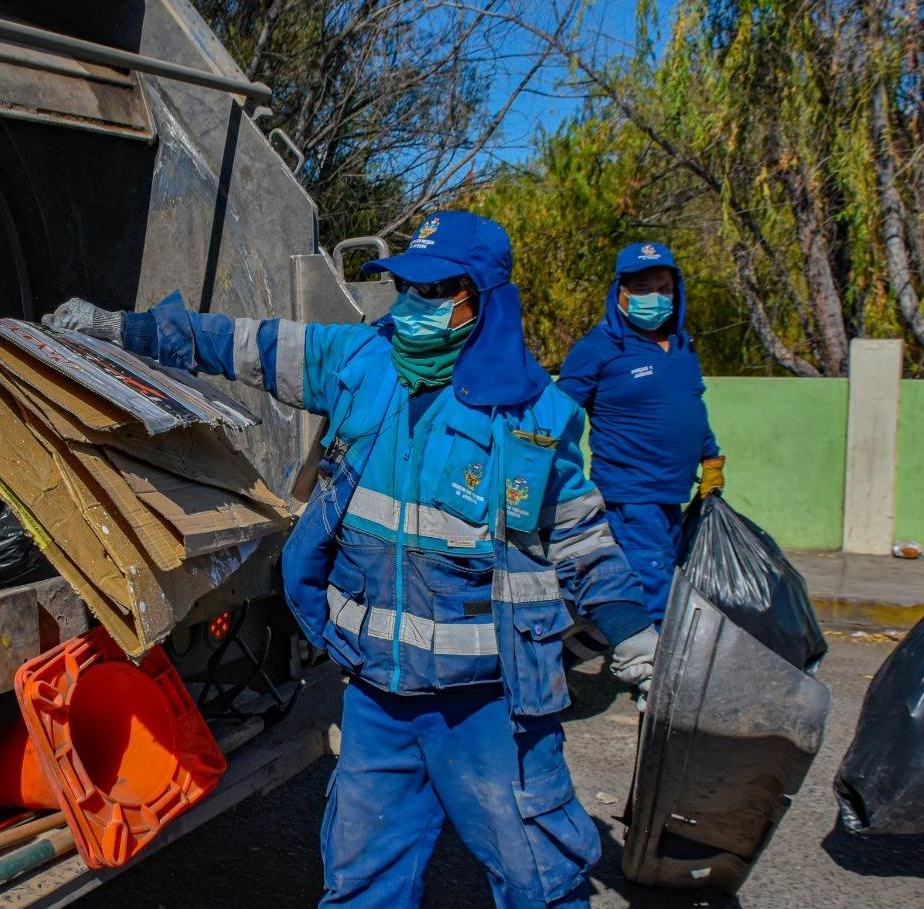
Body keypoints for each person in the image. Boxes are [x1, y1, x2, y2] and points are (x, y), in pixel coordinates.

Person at [45, 211, 655, 909]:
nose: (412, 307)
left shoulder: (532, 414)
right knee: (362, 885)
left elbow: (580, 535)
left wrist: (634, 631)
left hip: (488, 706)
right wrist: (120, 329)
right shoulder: (363, 362)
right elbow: (241, 344)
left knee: (539, 883)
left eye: (433, 291)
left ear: (480, 297)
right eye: (405, 288)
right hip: (376, 699)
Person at [556, 242, 722, 623]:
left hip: (674, 492)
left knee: (662, 577)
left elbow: (692, 406)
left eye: (663, 288)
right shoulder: (599, 348)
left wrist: (712, 457)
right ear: (621, 294)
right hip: (629, 494)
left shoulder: (682, 346)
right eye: (643, 288)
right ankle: (654, 676)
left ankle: (601, 651)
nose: (656, 298)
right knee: (652, 586)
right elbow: (559, 413)